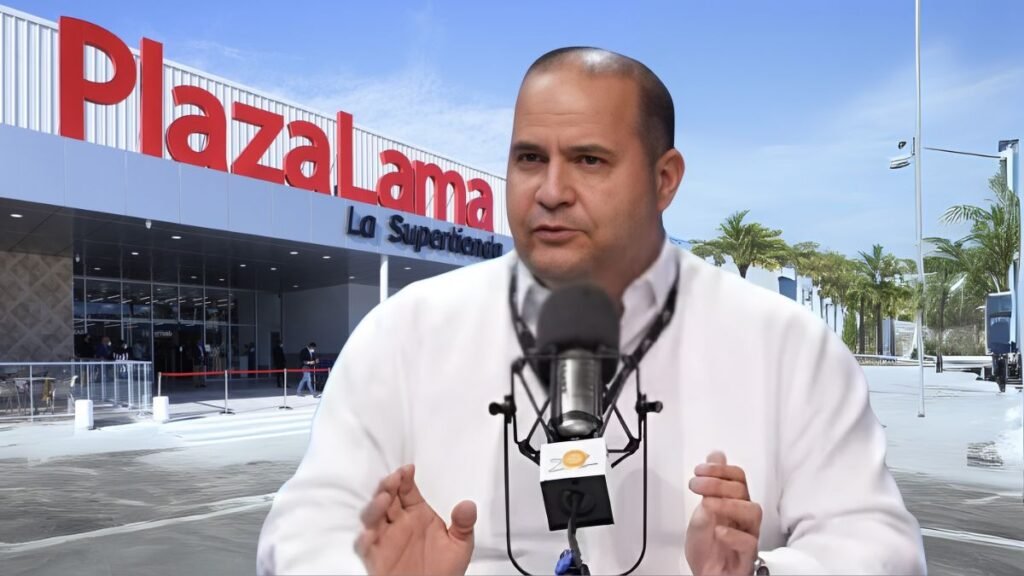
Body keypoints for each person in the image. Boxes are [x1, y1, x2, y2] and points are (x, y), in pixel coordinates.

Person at [257, 48, 926, 575]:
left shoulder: (786, 346)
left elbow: (880, 547)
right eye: (529, 158)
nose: (551, 191)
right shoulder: (406, 333)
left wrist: (758, 574)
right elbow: (303, 530)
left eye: (588, 160)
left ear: (664, 180)